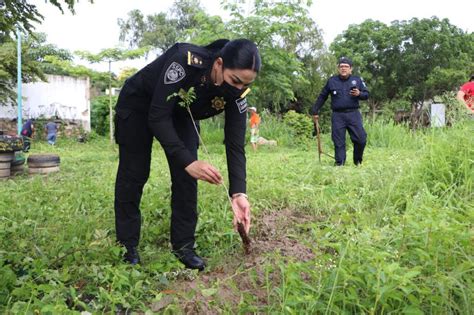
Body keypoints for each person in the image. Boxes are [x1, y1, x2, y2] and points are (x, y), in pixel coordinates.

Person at [114, 39, 260, 269]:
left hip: (181, 113)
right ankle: (126, 245)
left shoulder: (237, 93)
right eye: (235, 81)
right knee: (134, 173)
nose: (238, 89)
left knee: (187, 179)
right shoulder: (186, 61)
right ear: (219, 64)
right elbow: (157, 116)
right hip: (139, 106)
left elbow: (234, 145)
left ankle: (184, 247)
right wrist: (187, 161)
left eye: (245, 84)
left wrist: (238, 193)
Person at [311, 57, 369, 166]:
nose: (343, 69)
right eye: (341, 66)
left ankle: (357, 161)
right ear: (338, 68)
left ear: (351, 69)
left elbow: (366, 95)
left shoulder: (357, 80)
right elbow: (323, 96)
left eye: (346, 67)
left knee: (361, 139)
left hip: (353, 114)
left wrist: (359, 94)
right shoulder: (332, 81)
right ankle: (340, 164)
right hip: (338, 115)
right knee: (338, 141)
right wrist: (315, 110)